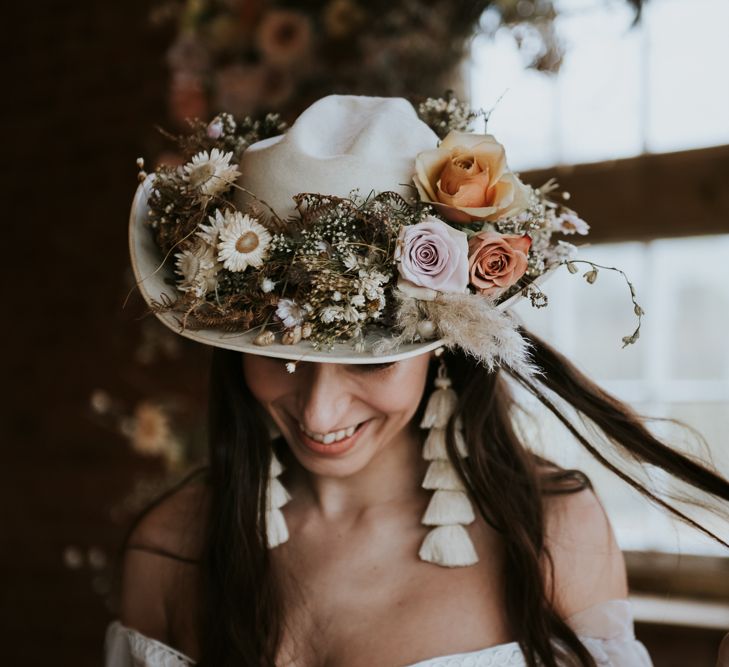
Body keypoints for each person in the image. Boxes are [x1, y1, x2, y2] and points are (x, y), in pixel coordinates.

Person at [106, 95, 729, 666]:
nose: (319, 416)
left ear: (442, 350)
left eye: (370, 362)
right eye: (280, 356)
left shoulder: (555, 533)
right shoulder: (169, 550)